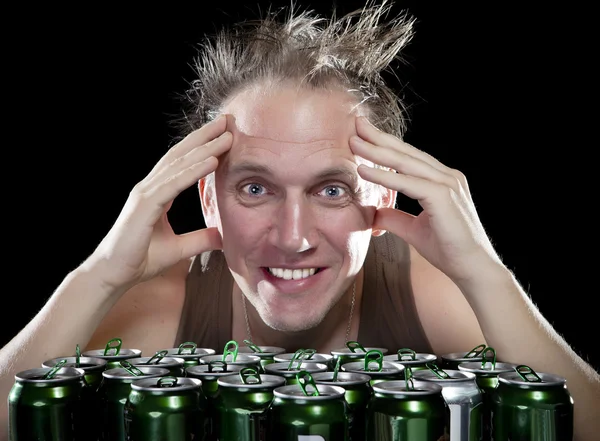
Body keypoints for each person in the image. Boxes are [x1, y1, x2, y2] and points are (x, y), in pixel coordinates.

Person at [1, 1, 598, 439]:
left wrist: (484, 272)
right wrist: (101, 274)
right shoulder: (164, 301)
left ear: (383, 198)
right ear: (208, 199)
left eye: (332, 189)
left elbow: (586, 423)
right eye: (255, 188)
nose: (293, 237)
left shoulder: (424, 289)